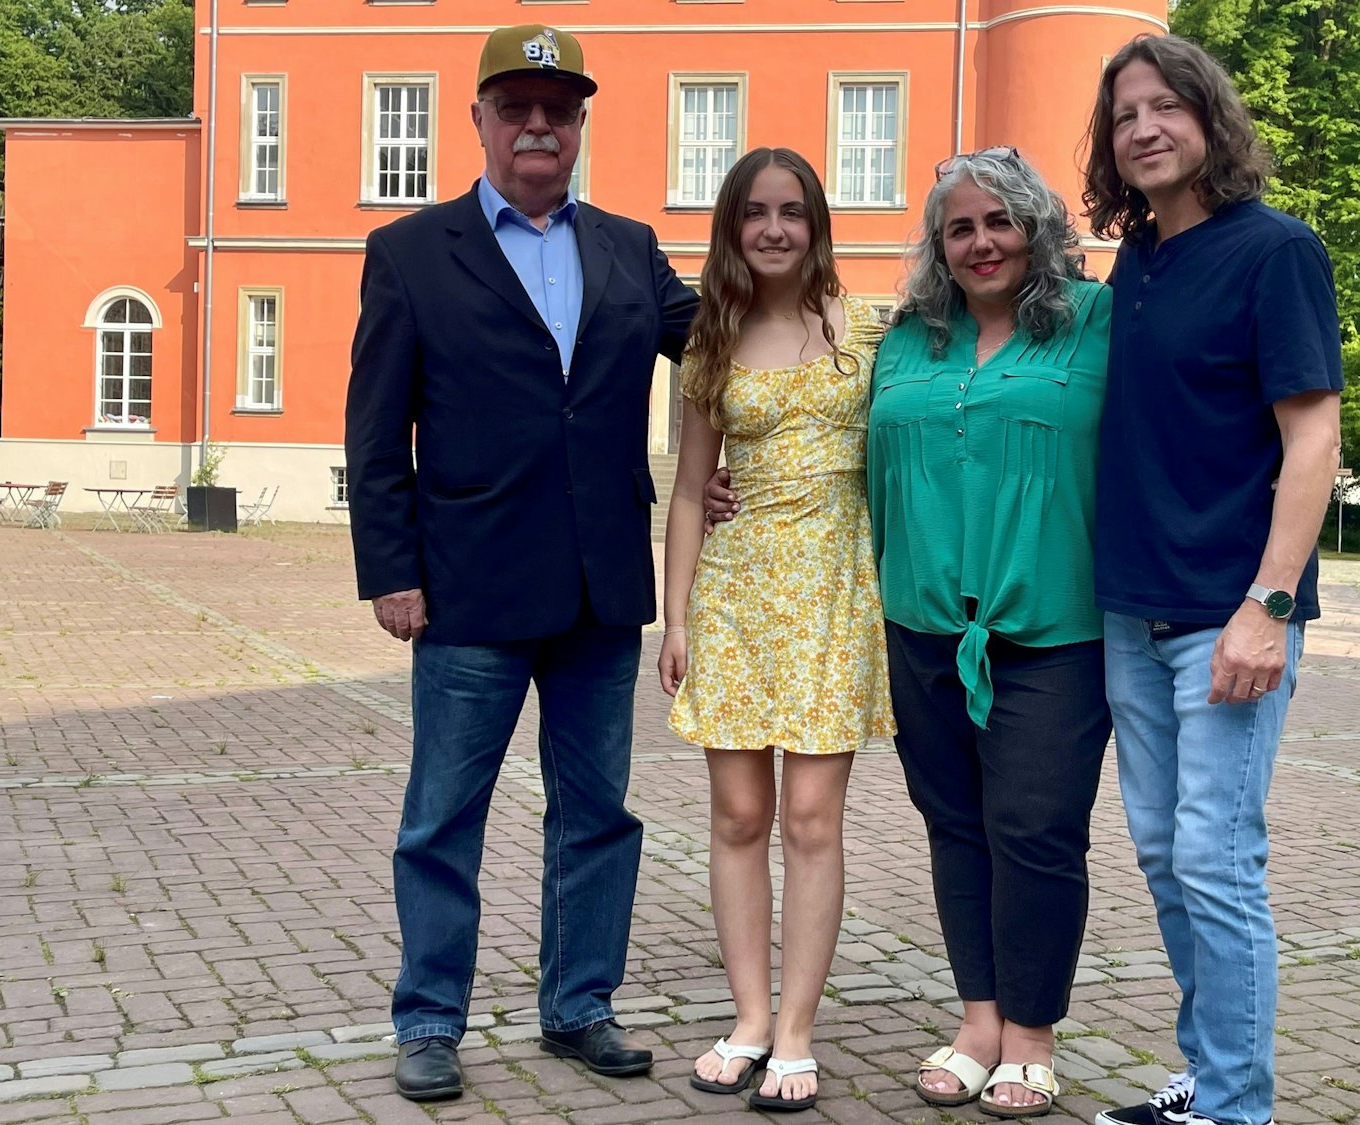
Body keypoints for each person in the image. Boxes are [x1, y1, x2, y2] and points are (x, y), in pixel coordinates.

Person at [716, 148, 1115, 1120]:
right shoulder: (903, 340)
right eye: (959, 228)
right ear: (938, 246)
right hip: (921, 624)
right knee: (955, 825)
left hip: (1050, 627)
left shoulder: (1096, 321)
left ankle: (1030, 1035)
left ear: (1036, 228)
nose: (980, 242)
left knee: (1035, 830)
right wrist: (732, 482)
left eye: (999, 221)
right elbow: (805, 420)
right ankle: (979, 1021)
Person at [343, 23, 697, 1104]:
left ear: (579, 125)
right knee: (443, 818)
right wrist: (389, 569)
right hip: (468, 588)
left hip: (599, 587)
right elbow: (375, 428)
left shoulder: (629, 247)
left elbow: (726, 345)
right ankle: (428, 1019)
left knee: (598, 814)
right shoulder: (411, 251)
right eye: (516, 107)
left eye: (558, 109)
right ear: (480, 120)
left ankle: (579, 1003)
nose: (538, 125)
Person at [1083, 35, 1343, 1125]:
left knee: (1215, 856)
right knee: (1163, 853)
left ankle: (1236, 1107)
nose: (1143, 128)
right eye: (1123, 114)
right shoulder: (1136, 263)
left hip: (1227, 615)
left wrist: (1268, 607)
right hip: (1130, 610)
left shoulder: (1275, 251)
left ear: (1209, 117)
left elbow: (1313, 435)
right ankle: (1211, 1072)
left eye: (1165, 106)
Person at [658, 147, 893, 1113]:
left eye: (791, 211)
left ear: (816, 223)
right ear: (731, 227)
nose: (773, 229)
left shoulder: (869, 328)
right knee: (738, 816)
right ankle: (750, 1017)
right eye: (754, 212)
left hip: (835, 592)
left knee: (811, 819)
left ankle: (798, 1029)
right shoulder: (710, 344)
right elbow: (688, 491)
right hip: (737, 595)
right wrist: (675, 618)